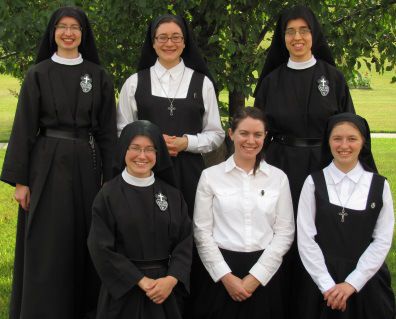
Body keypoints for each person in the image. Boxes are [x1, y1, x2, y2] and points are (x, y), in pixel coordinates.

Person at [0, 7, 117, 318]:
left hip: (87, 163)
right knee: (48, 240)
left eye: (75, 27)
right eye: (62, 27)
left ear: (83, 33)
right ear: (53, 33)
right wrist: (21, 181)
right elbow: (25, 127)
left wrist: (110, 175)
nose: (68, 33)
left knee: (88, 235)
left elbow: (107, 131)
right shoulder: (38, 73)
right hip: (46, 164)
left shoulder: (98, 75)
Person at [117, 14, 225, 218]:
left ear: (185, 43)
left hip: (189, 173)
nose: (169, 43)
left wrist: (187, 143)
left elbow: (216, 133)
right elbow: (122, 130)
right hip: (145, 169)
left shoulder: (203, 83)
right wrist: (149, 145)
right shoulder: (134, 83)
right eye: (162, 37)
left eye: (176, 37)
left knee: (187, 226)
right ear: (153, 43)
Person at [193, 107, 295, 319]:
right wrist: (225, 276)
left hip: (264, 273)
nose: (251, 140)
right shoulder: (210, 177)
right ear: (231, 134)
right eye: (244, 133)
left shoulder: (278, 178)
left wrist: (256, 276)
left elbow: (285, 232)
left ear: (266, 137)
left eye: (258, 134)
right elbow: (202, 232)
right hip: (221, 273)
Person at [87, 120, 192, 319]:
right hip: (123, 293)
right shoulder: (108, 195)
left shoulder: (172, 195)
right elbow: (100, 247)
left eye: (149, 149)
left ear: (157, 154)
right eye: (135, 148)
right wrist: (140, 280)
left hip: (164, 294)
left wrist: (171, 279)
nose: (142, 156)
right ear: (123, 151)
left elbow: (184, 242)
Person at [254, 5, 355, 210]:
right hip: (281, 165)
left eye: (304, 30)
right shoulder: (271, 82)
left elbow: (348, 127)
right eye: (290, 31)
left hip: (325, 165)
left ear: (314, 34)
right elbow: (258, 132)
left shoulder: (334, 78)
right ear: (282, 37)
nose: (297, 37)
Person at [297, 113, 395, 318]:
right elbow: (306, 239)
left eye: (352, 138)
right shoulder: (313, 183)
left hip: (367, 280)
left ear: (363, 142)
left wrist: (352, 283)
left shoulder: (379, 185)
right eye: (337, 138)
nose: (344, 145)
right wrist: (327, 286)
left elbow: (382, 240)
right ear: (328, 142)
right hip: (321, 282)